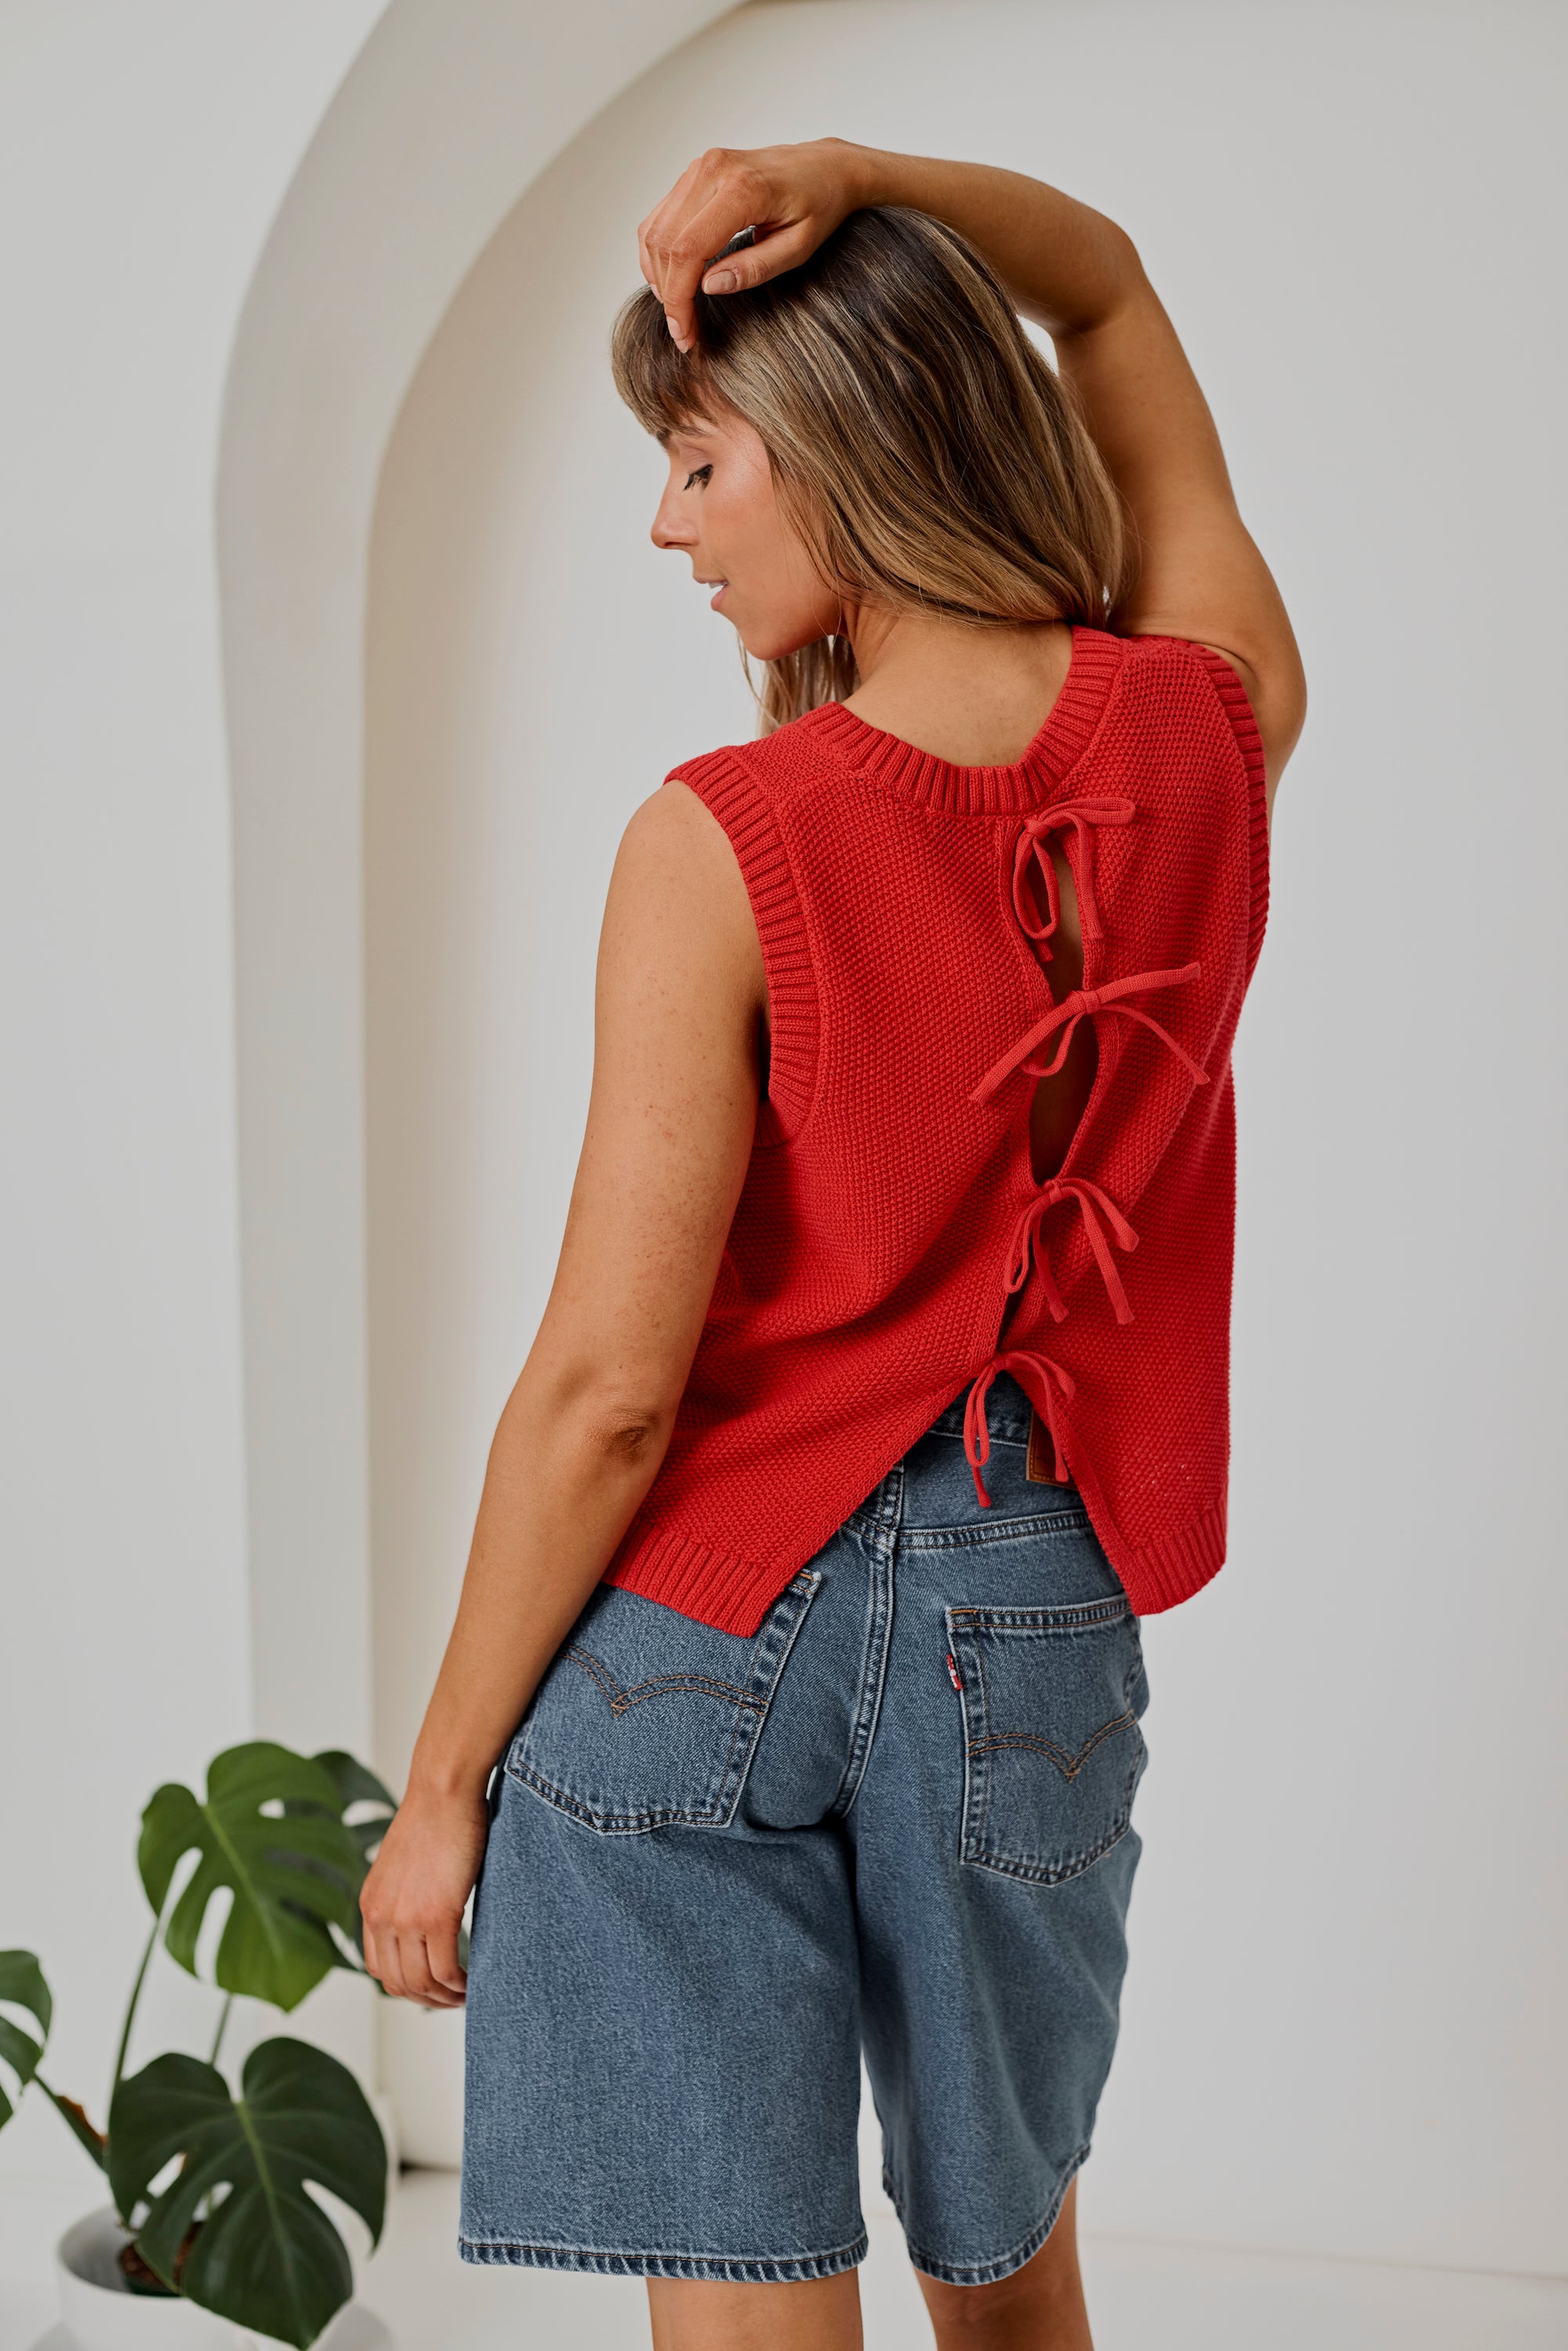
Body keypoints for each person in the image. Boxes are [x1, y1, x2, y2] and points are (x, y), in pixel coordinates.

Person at [360, 139, 1305, 2351]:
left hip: (696, 1639)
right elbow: (1111, 289)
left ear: (846, 447)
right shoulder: (1210, 730)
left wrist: (441, 1789)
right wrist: (865, 183)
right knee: (1015, 2292)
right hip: (1030, 1619)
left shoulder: (725, 841)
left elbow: (608, 1396)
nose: (666, 525)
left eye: (700, 462)